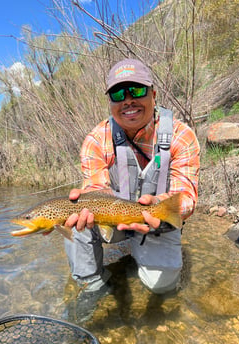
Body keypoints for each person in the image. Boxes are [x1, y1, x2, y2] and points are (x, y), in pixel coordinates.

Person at [64, 58, 200, 319]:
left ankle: (138, 258)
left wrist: (159, 206)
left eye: (136, 90)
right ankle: (93, 283)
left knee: (162, 288)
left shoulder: (181, 136)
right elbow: (95, 186)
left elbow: (186, 198)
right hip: (113, 219)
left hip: (158, 221)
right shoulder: (96, 140)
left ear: (153, 94)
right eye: (118, 93)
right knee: (75, 211)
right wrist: (86, 206)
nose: (128, 100)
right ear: (111, 102)